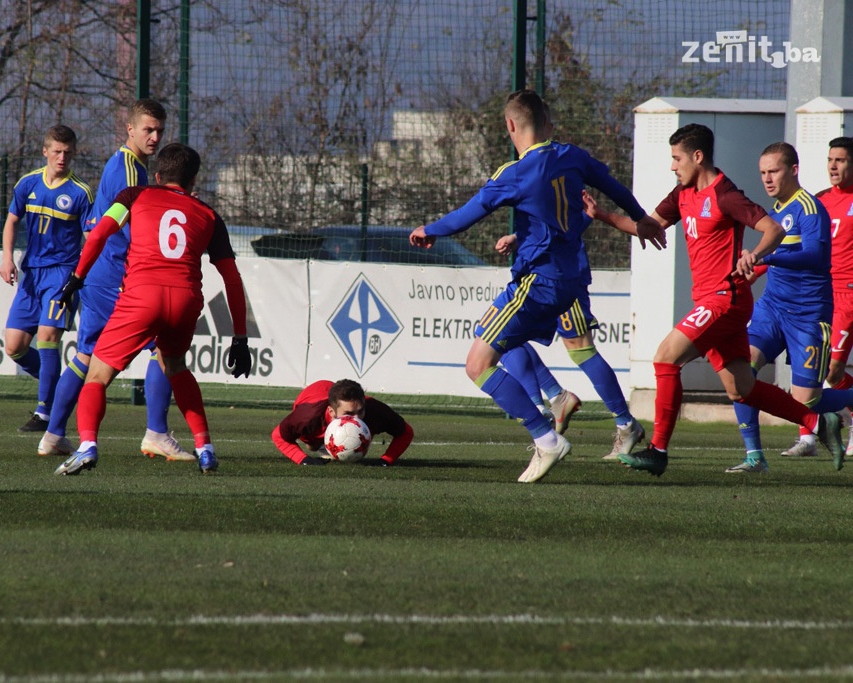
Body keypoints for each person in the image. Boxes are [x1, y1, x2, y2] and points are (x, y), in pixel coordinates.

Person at [409, 89, 664, 483]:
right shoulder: (572, 156)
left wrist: (431, 230)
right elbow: (611, 185)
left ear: (510, 125)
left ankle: (546, 435)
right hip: (571, 280)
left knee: (477, 365)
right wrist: (641, 216)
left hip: (539, 282)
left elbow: (468, 213)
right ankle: (558, 403)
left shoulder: (514, 173)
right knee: (505, 342)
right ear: (547, 123)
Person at [606, 124, 844, 476]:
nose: (673, 166)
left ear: (698, 157)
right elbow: (648, 227)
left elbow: (773, 231)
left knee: (665, 358)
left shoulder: (726, 195)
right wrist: (600, 215)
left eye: (677, 158)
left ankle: (657, 450)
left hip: (725, 301)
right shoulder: (681, 194)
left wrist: (757, 256)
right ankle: (818, 421)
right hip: (710, 300)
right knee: (741, 388)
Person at [52, 143, 253, 476]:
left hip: (142, 296)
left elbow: (101, 232)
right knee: (174, 365)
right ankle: (205, 448)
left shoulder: (134, 195)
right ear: (193, 182)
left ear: (158, 176)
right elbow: (231, 277)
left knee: (98, 376)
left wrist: (76, 277)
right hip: (186, 299)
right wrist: (241, 338)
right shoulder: (209, 215)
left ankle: (87, 446)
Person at [39, 99, 204, 462]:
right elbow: (133, 229)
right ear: (129, 129)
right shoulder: (133, 173)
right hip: (117, 277)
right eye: (148, 129)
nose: (155, 136)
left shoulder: (125, 164)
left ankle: (53, 434)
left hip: (100, 275)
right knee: (164, 351)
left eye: (159, 130)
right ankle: (157, 434)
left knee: (86, 356)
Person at [722, 142, 851, 472]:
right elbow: (771, 260)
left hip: (809, 315)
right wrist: (749, 271)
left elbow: (815, 257)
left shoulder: (810, 208)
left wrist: (767, 256)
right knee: (740, 374)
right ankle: (754, 456)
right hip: (771, 309)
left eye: (774, 171)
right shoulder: (775, 213)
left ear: (793, 170)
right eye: (763, 172)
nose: (767, 179)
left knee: (805, 402)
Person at [0, 125, 93, 433]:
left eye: (67, 152)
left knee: (47, 337)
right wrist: (6, 258)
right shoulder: (28, 184)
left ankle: (45, 412)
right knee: (14, 346)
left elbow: (92, 237)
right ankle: (61, 385)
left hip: (63, 274)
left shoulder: (80, 192)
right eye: (56, 151)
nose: (62, 157)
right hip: (32, 275)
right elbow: (12, 221)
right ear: (45, 151)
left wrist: (83, 276)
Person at [781, 136, 853, 459]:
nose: (833, 166)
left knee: (832, 371)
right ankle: (808, 438)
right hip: (823, 294)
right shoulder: (820, 201)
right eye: (829, 160)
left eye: (840, 160)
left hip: (849, 295)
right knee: (816, 368)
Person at [272, 379, 414, 466]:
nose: (356, 419)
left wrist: (385, 460)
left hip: (329, 398)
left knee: (367, 427)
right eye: (349, 414)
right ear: (332, 411)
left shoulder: (374, 410)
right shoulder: (307, 416)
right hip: (310, 396)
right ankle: (320, 444)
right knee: (312, 445)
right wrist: (303, 459)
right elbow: (278, 436)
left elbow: (406, 432)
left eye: (360, 411)